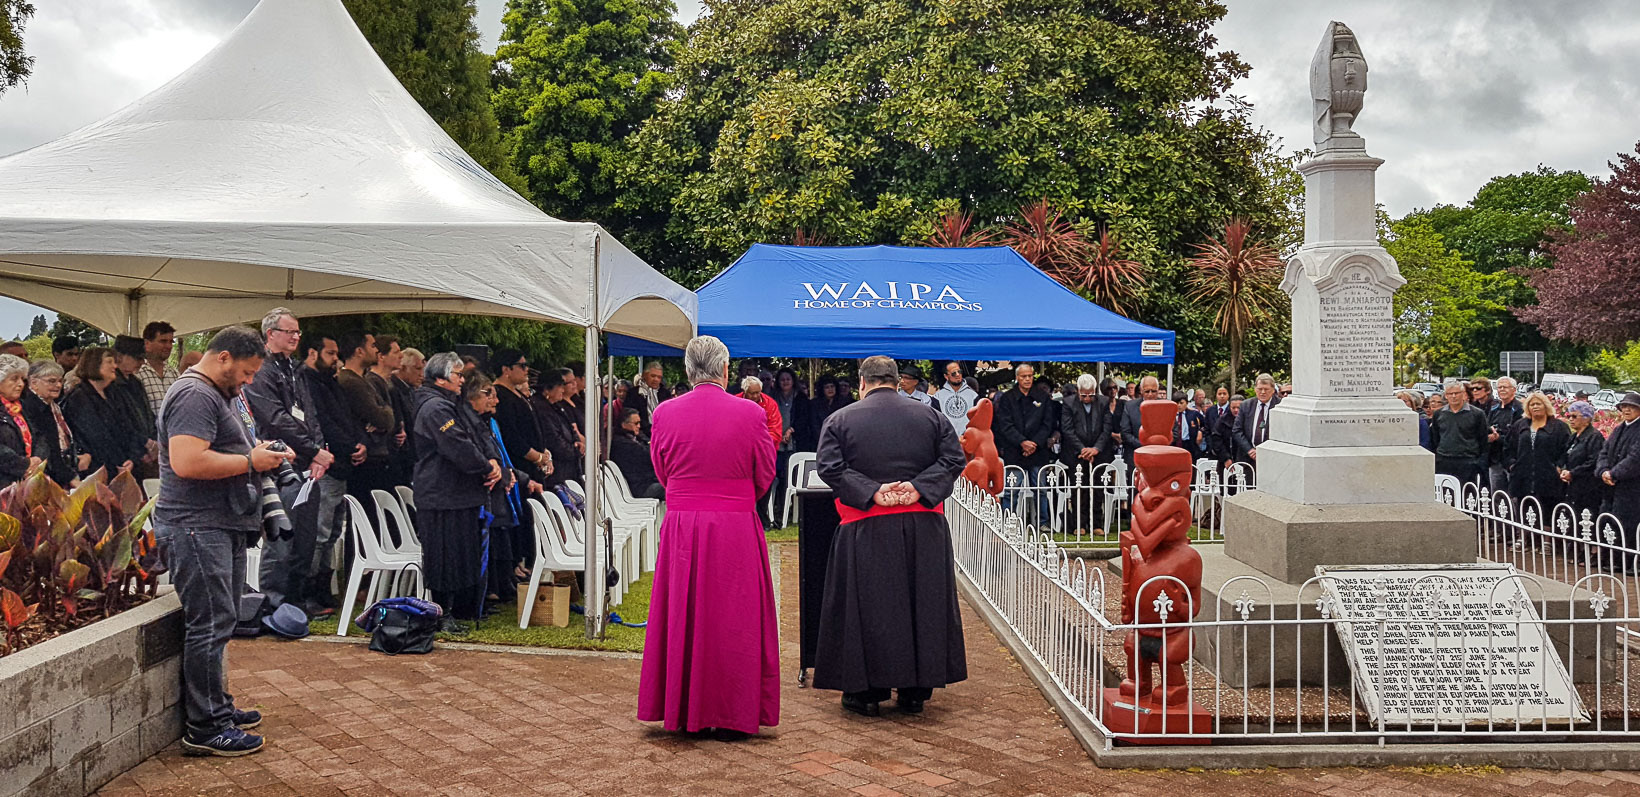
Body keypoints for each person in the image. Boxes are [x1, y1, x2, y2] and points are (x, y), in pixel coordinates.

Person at [154, 325, 295, 756]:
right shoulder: (194, 395)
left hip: (217, 523)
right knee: (210, 624)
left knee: (222, 620)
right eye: (247, 372)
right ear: (224, 358)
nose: (249, 381)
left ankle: (217, 708)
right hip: (196, 526)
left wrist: (261, 452)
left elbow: (225, 448)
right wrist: (251, 460)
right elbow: (187, 461)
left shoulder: (217, 393)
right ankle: (206, 727)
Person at [638, 335, 779, 738]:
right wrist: (735, 498)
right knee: (735, 616)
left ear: (687, 370)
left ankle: (684, 708)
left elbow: (662, 468)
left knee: (684, 610)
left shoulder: (665, 413)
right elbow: (765, 471)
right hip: (734, 524)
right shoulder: (750, 413)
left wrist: (691, 496)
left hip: (684, 523)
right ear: (725, 370)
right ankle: (733, 712)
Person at [814, 355, 966, 716]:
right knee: (922, 604)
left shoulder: (840, 420)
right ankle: (916, 691)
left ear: (861, 383)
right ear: (898, 382)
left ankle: (866, 692)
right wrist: (918, 487)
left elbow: (829, 467)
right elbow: (953, 460)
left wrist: (872, 491)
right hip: (923, 525)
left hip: (865, 526)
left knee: (867, 607)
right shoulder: (932, 416)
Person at [412, 352, 501, 631]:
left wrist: (493, 461)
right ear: (440, 378)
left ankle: (461, 607)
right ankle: (442, 612)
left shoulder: (452, 404)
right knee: (444, 556)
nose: (462, 380)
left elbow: (477, 436)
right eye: (457, 375)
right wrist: (485, 468)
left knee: (461, 554)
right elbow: (456, 445)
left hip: (458, 493)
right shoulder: (435, 407)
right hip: (442, 494)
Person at [296, 335, 361, 616]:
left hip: (341, 464)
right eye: (330, 353)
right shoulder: (306, 383)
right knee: (319, 532)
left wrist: (358, 443)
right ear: (313, 353)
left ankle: (324, 588)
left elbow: (345, 418)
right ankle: (308, 592)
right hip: (323, 466)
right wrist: (348, 446)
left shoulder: (330, 382)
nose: (336, 359)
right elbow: (321, 423)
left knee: (333, 531)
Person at [62, 348, 145, 477]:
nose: (115, 366)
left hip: (122, 466)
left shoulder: (115, 394)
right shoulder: (79, 398)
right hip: (97, 470)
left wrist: (132, 458)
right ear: (94, 364)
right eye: (109, 362)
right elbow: (96, 437)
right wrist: (118, 462)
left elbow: (130, 428)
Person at [336, 332, 395, 508]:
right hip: (366, 461)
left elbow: (387, 416)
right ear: (359, 351)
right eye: (372, 346)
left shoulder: (362, 380)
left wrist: (385, 414)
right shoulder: (351, 382)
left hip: (373, 457)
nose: (376, 350)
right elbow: (382, 418)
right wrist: (384, 415)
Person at [23, 361, 86, 488]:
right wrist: (69, 478)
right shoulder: (31, 408)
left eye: (60, 381)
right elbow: (49, 448)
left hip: (62, 470)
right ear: (33, 383)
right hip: (45, 477)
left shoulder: (53, 406)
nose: (58, 385)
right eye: (51, 381)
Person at [1507, 392, 1569, 516]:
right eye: (1532, 404)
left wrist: (1559, 466)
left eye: (1538, 404)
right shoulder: (1520, 425)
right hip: (1523, 479)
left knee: (1548, 516)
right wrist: (1512, 465)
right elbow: (1508, 447)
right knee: (1525, 515)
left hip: (1549, 480)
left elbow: (1566, 449)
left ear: (1546, 405)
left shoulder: (1559, 427)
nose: (1535, 407)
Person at [738, 376, 783, 529]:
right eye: (752, 393)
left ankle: (763, 521)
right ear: (745, 392)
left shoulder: (770, 404)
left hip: (765, 453)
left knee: (765, 483)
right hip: (741, 454)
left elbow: (775, 431)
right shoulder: (735, 401)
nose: (756, 396)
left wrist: (758, 444)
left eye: (758, 392)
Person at [1430, 379, 1490, 488]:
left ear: (1463, 394)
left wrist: (1479, 462)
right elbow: (1435, 438)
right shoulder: (1438, 414)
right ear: (1446, 396)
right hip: (1444, 460)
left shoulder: (1477, 414)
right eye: (1450, 394)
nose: (1454, 396)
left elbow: (1483, 440)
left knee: (1467, 493)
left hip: (1468, 461)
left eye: (1457, 393)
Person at [531, 368, 581, 488]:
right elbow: (554, 440)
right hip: (557, 471)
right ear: (548, 389)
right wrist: (575, 451)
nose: (563, 390)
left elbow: (570, 428)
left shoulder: (556, 406)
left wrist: (577, 442)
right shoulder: (541, 409)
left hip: (569, 467)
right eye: (560, 387)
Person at [1561, 402, 1605, 527]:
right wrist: (1563, 469)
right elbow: (1565, 455)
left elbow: (1594, 461)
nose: (1570, 419)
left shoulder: (1594, 437)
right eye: (1569, 416)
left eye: (1574, 416)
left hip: (1588, 487)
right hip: (1573, 486)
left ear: (1586, 419)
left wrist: (1573, 473)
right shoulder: (1574, 436)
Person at [0, 354, 37, 491]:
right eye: (14, 379)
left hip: (25, 481)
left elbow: (39, 435)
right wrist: (25, 464)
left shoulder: (23, 407)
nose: (21, 384)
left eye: (22, 379)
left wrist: (37, 460)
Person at [611, 408, 664, 499]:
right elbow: (647, 455)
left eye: (639, 423)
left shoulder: (636, 437)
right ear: (624, 425)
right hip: (640, 487)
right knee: (672, 488)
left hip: (648, 481)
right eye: (636, 423)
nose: (639, 426)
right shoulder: (621, 443)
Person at [390, 347, 425, 486]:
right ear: (403, 367)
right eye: (417, 369)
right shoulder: (394, 389)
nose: (422, 374)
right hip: (400, 456)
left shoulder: (410, 390)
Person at [1119, 375, 1163, 472]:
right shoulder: (1130, 407)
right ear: (1141, 391)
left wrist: (1157, 445)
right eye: (1147, 391)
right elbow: (1125, 433)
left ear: (1158, 390)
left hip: (1160, 456)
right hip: (1135, 456)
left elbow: (1174, 432)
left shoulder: (1166, 406)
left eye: (1154, 391)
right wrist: (1144, 445)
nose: (1150, 394)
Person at [138, 321, 179, 416]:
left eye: (171, 342)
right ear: (147, 344)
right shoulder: (137, 373)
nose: (168, 346)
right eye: (163, 341)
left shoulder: (174, 373)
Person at [626, 361, 672, 436]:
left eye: (659, 377)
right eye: (653, 376)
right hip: (640, 433)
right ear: (644, 375)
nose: (656, 379)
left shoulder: (665, 394)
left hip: (662, 433)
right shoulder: (633, 393)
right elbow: (629, 415)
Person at [932, 362, 978, 437]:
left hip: (968, 439)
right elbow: (936, 422)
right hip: (947, 440)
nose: (957, 375)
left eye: (959, 371)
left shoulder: (973, 396)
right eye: (953, 373)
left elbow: (977, 420)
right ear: (946, 376)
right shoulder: (938, 397)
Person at [1170, 390, 1205, 456]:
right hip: (1174, 445)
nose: (1179, 405)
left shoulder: (1194, 414)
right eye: (1176, 403)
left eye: (1181, 403)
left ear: (1186, 403)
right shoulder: (1170, 415)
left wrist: (1200, 431)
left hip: (1189, 445)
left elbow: (1205, 425)